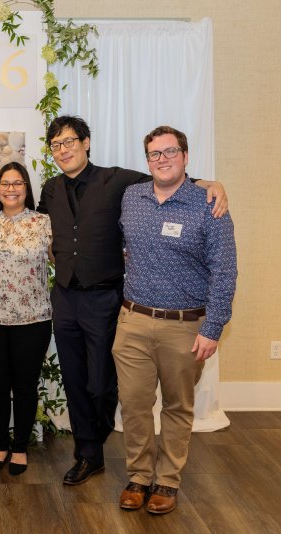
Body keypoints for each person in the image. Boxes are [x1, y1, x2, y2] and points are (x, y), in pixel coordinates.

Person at [37, 116, 228, 486]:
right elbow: (46, 233)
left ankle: (102, 433)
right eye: (56, 145)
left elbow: (169, 180)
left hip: (107, 299)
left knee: (103, 383)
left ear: (87, 142)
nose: (63, 150)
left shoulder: (118, 181)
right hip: (65, 299)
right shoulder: (49, 189)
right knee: (75, 380)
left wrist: (211, 184)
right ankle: (88, 454)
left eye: (69, 141)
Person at [114, 125, 237, 514]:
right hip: (132, 320)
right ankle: (138, 476)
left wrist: (212, 327)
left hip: (185, 326)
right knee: (133, 404)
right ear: (146, 160)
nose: (162, 160)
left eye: (170, 152)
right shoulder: (132, 197)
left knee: (177, 406)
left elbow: (225, 270)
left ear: (185, 156)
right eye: (155, 154)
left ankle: (166, 482)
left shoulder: (208, 204)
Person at [0, 162, 53, 476]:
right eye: (5, 183)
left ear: (26, 188)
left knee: (26, 385)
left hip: (32, 319)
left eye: (17, 183)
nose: (11, 189)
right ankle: (0, 444)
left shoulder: (43, 222)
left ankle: (20, 447)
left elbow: (64, 256)